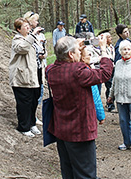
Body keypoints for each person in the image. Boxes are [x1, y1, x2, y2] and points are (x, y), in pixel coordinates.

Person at [47, 36, 113, 178]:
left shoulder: (51, 71)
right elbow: (105, 73)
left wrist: (72, 47)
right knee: (86, 174)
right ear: (71, 54)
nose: (80, 51)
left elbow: (58, 63)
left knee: (68, 173)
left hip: (61, 131)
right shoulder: (78, 71)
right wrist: (103, 49)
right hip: (80, 132)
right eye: (77, 50)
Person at [9, 18, 42, 137]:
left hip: (34, 74)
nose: (28, 28)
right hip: (21, 76)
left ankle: (32, 123)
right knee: (24, 102)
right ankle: (23, 126)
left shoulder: (32, 38)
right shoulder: (17, 40)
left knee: (34, 100)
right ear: (18, 29)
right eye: (25, 26)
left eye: (29, 26)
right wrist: (32, 35)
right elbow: (22, 49)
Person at [24, 11, 47, 125]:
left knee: (39, 92)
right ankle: (29, 117)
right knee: (31, 94)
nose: (37, 22)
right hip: (30, 68)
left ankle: (34, 116)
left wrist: (44, 55)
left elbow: (44, 49)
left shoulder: (41, 35)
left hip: (40, 66)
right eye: (35, 20)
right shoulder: (26, 35)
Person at [81, 48, 106, 124]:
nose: (90, 56)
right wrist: (101, 116)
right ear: (83, 58)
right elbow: (95, 96)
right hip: (86, 112)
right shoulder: (87, 73)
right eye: (88, 54)